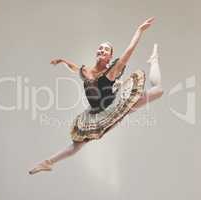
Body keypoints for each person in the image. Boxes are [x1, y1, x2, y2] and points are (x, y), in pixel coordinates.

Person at [29, 17, 163, 175]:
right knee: (77, 145)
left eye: (106, 50)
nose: (102, 51)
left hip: (115, 105)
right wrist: (62, 61)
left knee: (159, 90)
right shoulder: (86, 71)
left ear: (109, 57)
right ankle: (47, 162)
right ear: (96, 53)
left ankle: (154, 60)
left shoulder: (112, 71)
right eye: (100, 48)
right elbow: (74, 68)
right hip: (95, 113)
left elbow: (129, 51)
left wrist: (139, 31)